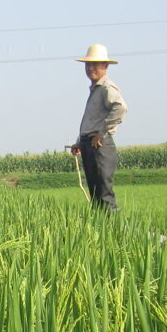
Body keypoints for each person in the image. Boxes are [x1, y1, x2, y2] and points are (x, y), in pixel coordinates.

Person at [69, 44, 127, 211]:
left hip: (100, 145)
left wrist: (102, 133)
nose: (91, 68)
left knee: (104, 193)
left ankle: (114, 230)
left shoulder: (107, 88)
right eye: (88, 64)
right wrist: (80, 142)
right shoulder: (96, 89)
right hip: (90, 144)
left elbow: (121, 107)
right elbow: (92, 120)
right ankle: (102, 230)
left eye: (96, 64)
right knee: (95, 194)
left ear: (105, 66)